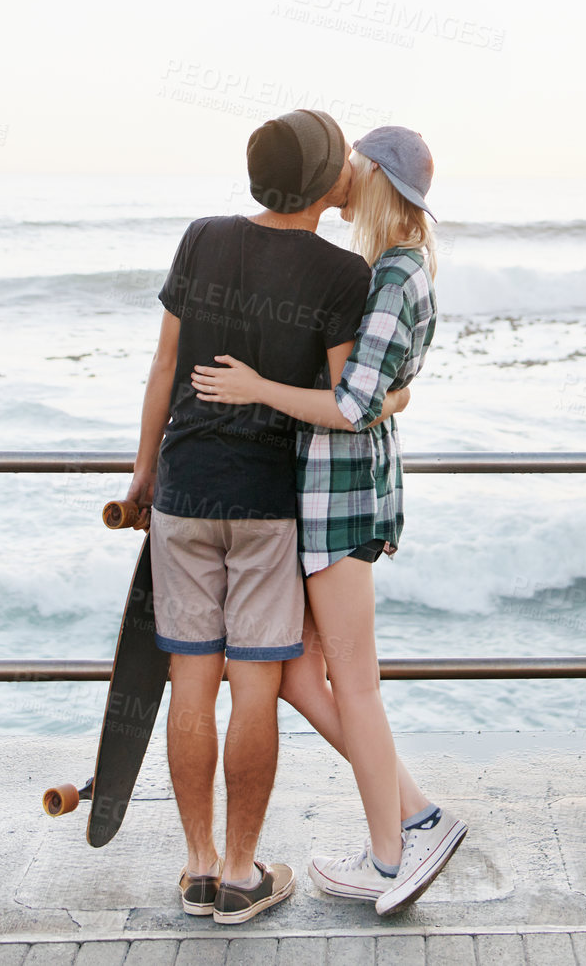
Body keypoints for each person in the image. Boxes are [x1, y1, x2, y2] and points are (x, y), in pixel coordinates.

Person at [193, 125, 466, 917]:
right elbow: (385, 391)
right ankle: (415, 812)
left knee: (351, 681)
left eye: (352, 162)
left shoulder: (390, 274)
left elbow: (352, 406)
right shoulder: (395, 265)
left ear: (374, 174)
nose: (339, 171)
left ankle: (391, 857)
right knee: (296, 671)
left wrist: (255, 388)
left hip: (343, 499)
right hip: (340, 494)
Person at [124, 108, 382, 925]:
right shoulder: (343, 274)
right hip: (270, 505)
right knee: (255, 691)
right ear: (320, 180)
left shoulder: (202, 236)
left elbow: (165, 362)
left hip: (183, 488)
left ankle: (198, 865)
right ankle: (242, 871)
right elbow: (348, 403)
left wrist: (142, 470)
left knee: (191, 684)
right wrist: (397, 393)